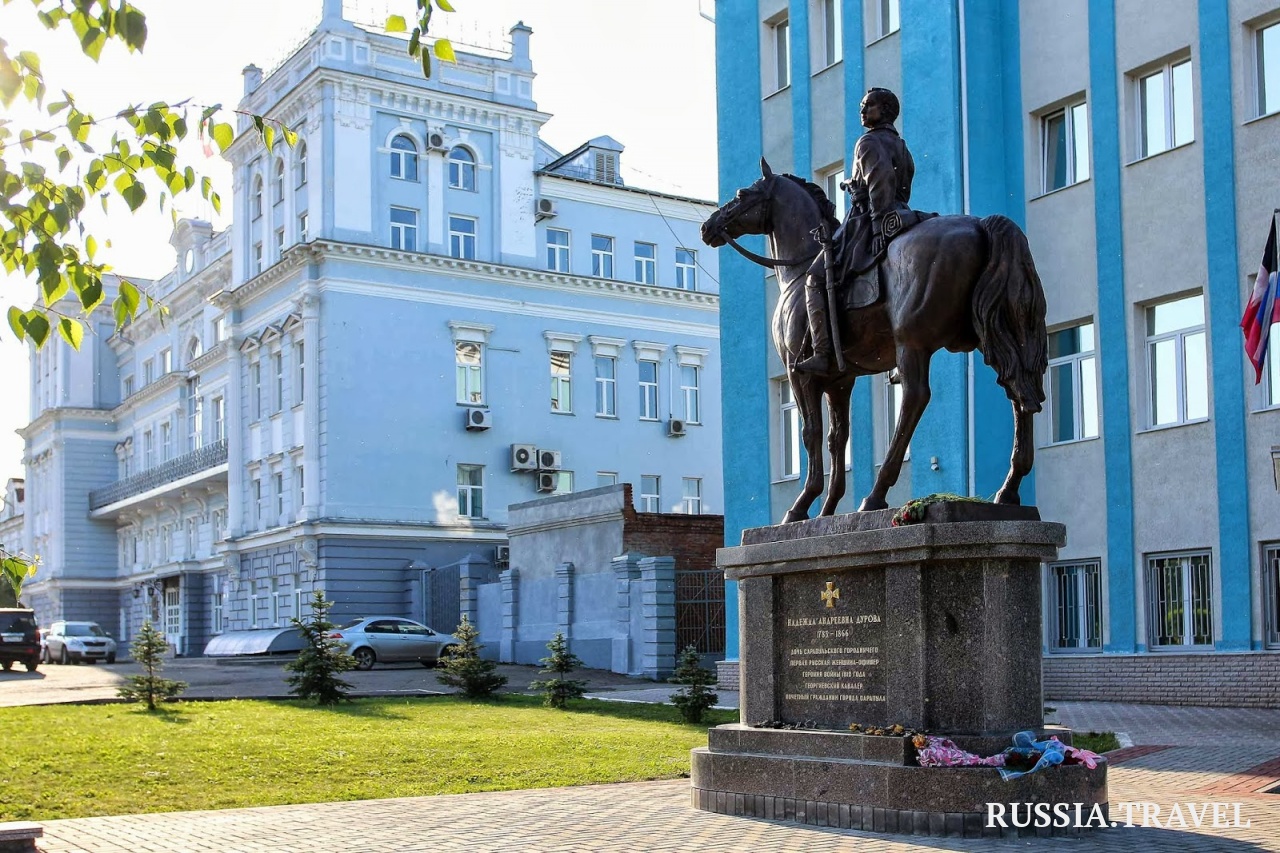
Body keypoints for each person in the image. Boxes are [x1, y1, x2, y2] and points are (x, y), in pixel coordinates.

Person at [796, 87, 917, 374]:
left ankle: (822, 352)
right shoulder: (902, 146)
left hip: (867, 219)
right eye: (862, 105)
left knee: (814, 278)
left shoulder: (868, 142)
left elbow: (880, 181)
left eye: (868, 105)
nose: (862, 110)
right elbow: (903, 185)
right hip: (902, 213)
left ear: (884, 110)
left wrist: (877, 226)